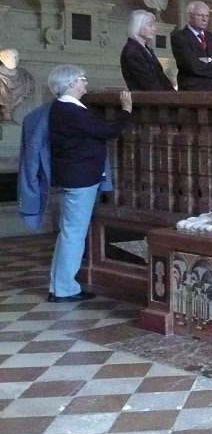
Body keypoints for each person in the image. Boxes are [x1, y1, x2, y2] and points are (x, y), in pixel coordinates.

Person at [46, 65, 132, 301]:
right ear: (71, 83)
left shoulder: (60, 108)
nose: (86, 83)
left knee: (68, 232)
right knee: (74, 233)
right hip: (80, 178)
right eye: (82, 79)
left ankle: (58, 286)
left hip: (71, 176)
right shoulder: (71, 110)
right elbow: (106, 130)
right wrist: (126, 110)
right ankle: (64, 289)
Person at [171, 1, 212, 90]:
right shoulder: (180, 37)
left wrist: (210, 60)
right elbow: (192, 66)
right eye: (200, 15)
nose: (204, 19)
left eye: (207, 16)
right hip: (193, 91)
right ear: (189, 17)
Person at [120, 10, 174, 91]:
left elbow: (161, 77)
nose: (154, 29)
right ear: (137, 26)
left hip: (158, 97)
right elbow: (147, 82)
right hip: (146, 99)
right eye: (150, 25)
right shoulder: (132, 52)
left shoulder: (147, 49)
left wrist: (174, 95)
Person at [0, 48, 35, 121]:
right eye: (11, 57)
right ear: (2, 58)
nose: (15, 60)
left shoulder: (26, 77)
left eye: (17, 57)